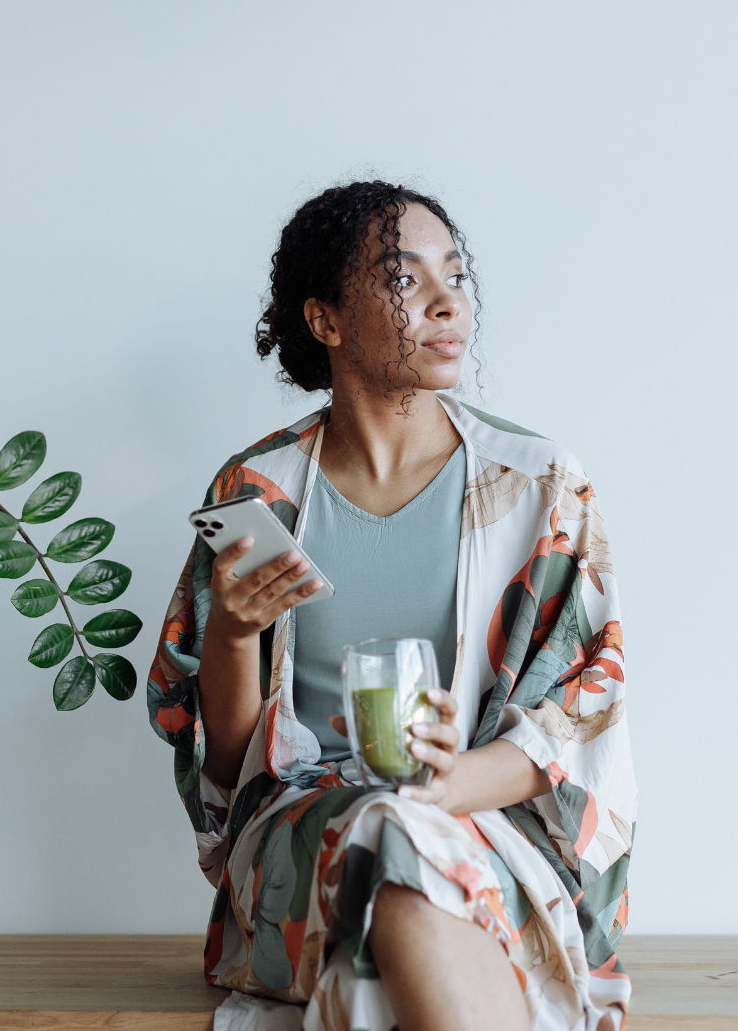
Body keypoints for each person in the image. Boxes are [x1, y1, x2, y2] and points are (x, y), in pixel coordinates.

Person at [149, 181, 636, 1031]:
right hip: (301, 844)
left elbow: (582, 714)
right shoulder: (256, 494)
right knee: (388, 830)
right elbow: (226, 773)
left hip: (486, 827)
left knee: (397, 863)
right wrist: (230, 631)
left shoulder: (539, 488)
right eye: (406, 279)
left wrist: (450, 784)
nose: (451, 300)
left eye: (455, 271)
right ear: (326, 320)